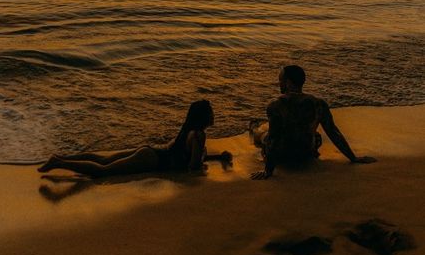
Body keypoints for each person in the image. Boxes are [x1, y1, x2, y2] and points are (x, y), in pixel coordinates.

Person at [38, 99, 230, 177]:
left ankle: (61, 157)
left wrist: (217, 158)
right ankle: (58, 162)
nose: (213, 115)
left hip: (150, 152)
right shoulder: (198, 135)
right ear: (204, 116)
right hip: (152, 159)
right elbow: (193, 167)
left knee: (103, 160)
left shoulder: (189, 132)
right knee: (103, 171)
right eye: (211, 112)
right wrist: (205, 168)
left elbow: (188, 157)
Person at [251, 65, 376, 180]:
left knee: (263, 135)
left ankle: (254, 129)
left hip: (283, 156)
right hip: (305, 153)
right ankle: (257, 128)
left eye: (281, 80)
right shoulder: (318, 104)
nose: (279, 83)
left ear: (288, 83)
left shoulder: (275, 105)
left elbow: (274, 139)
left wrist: (268, 171)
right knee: (315, 135)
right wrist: (353, 158)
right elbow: (333, 132)